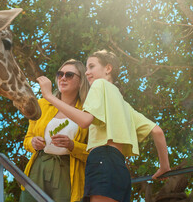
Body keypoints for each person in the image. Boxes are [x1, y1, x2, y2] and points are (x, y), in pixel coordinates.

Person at [36, 50, 171, 202]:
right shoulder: (125, 106)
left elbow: (85, 120)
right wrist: (164, 167)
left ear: (108, 68)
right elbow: (157, 131)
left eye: (91, 66)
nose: (87, 73)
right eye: (86, 68)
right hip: (120, 169)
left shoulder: (99, 84)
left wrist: (48, 96)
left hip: (102, 161)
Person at [20, 59, 90, 202]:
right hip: (38, 167)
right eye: (60, 74)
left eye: (69, 75)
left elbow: (93, 152)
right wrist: (33, 143)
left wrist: (72, 145)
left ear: (81, 80)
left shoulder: (87, 111)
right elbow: (27, 140)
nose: (63, 78)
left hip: (68, 172)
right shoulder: (41, 104)